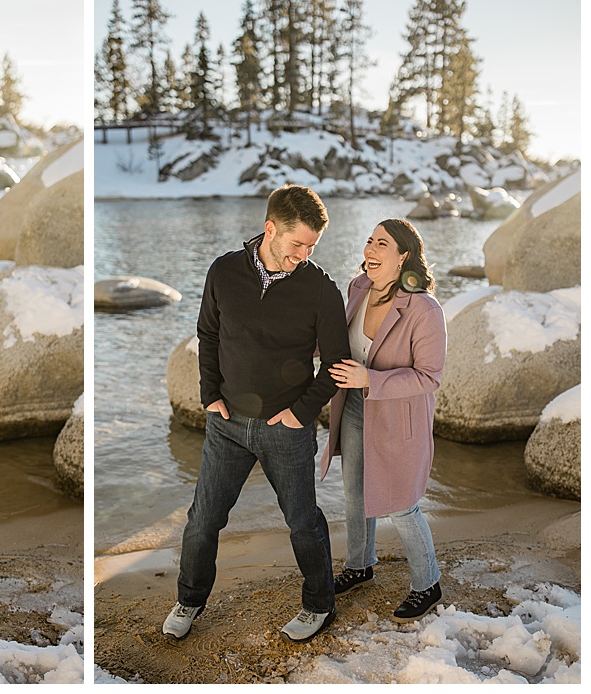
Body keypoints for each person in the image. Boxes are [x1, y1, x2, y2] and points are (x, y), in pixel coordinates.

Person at [165, 184, 346, 644]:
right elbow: (208, 333)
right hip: (226, 426)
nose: (303, 255)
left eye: (311, 246)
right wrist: (210, 395)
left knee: (303, 522)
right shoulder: (224, 271)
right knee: (203, 519)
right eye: (297, 244)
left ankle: (319, 604)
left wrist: (300, 413)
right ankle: (189, 599)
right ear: (270, 229)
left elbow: (337, 367)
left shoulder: (320, 289)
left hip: (285, 429)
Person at [322, 219, 446, 620]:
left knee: (401, 504)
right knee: (354, 491)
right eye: (369, 241)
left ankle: (428, 584)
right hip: (355, 407)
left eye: (382, 244)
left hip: (398, 418)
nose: (370, 250)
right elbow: (346, 344)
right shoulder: (358, 288)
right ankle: (359, 565)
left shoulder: (424, 308)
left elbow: (430, 377)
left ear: (403, 256)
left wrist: (370, 379)